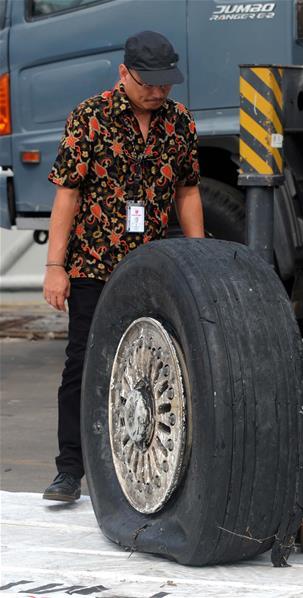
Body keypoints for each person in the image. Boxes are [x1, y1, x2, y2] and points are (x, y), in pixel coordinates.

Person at [41, 31, 204, 502]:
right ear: (124, 73)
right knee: (84, 364)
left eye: (165, 84)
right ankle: (69, 471)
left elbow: (188, 191)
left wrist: (198, 257)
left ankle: (144, 468)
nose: (157, 92)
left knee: (154, 363)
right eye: (148, 83)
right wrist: (56, 266)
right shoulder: (90, 117)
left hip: (153, 267)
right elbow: (67, 193)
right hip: (93, 264)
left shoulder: (179, 122)